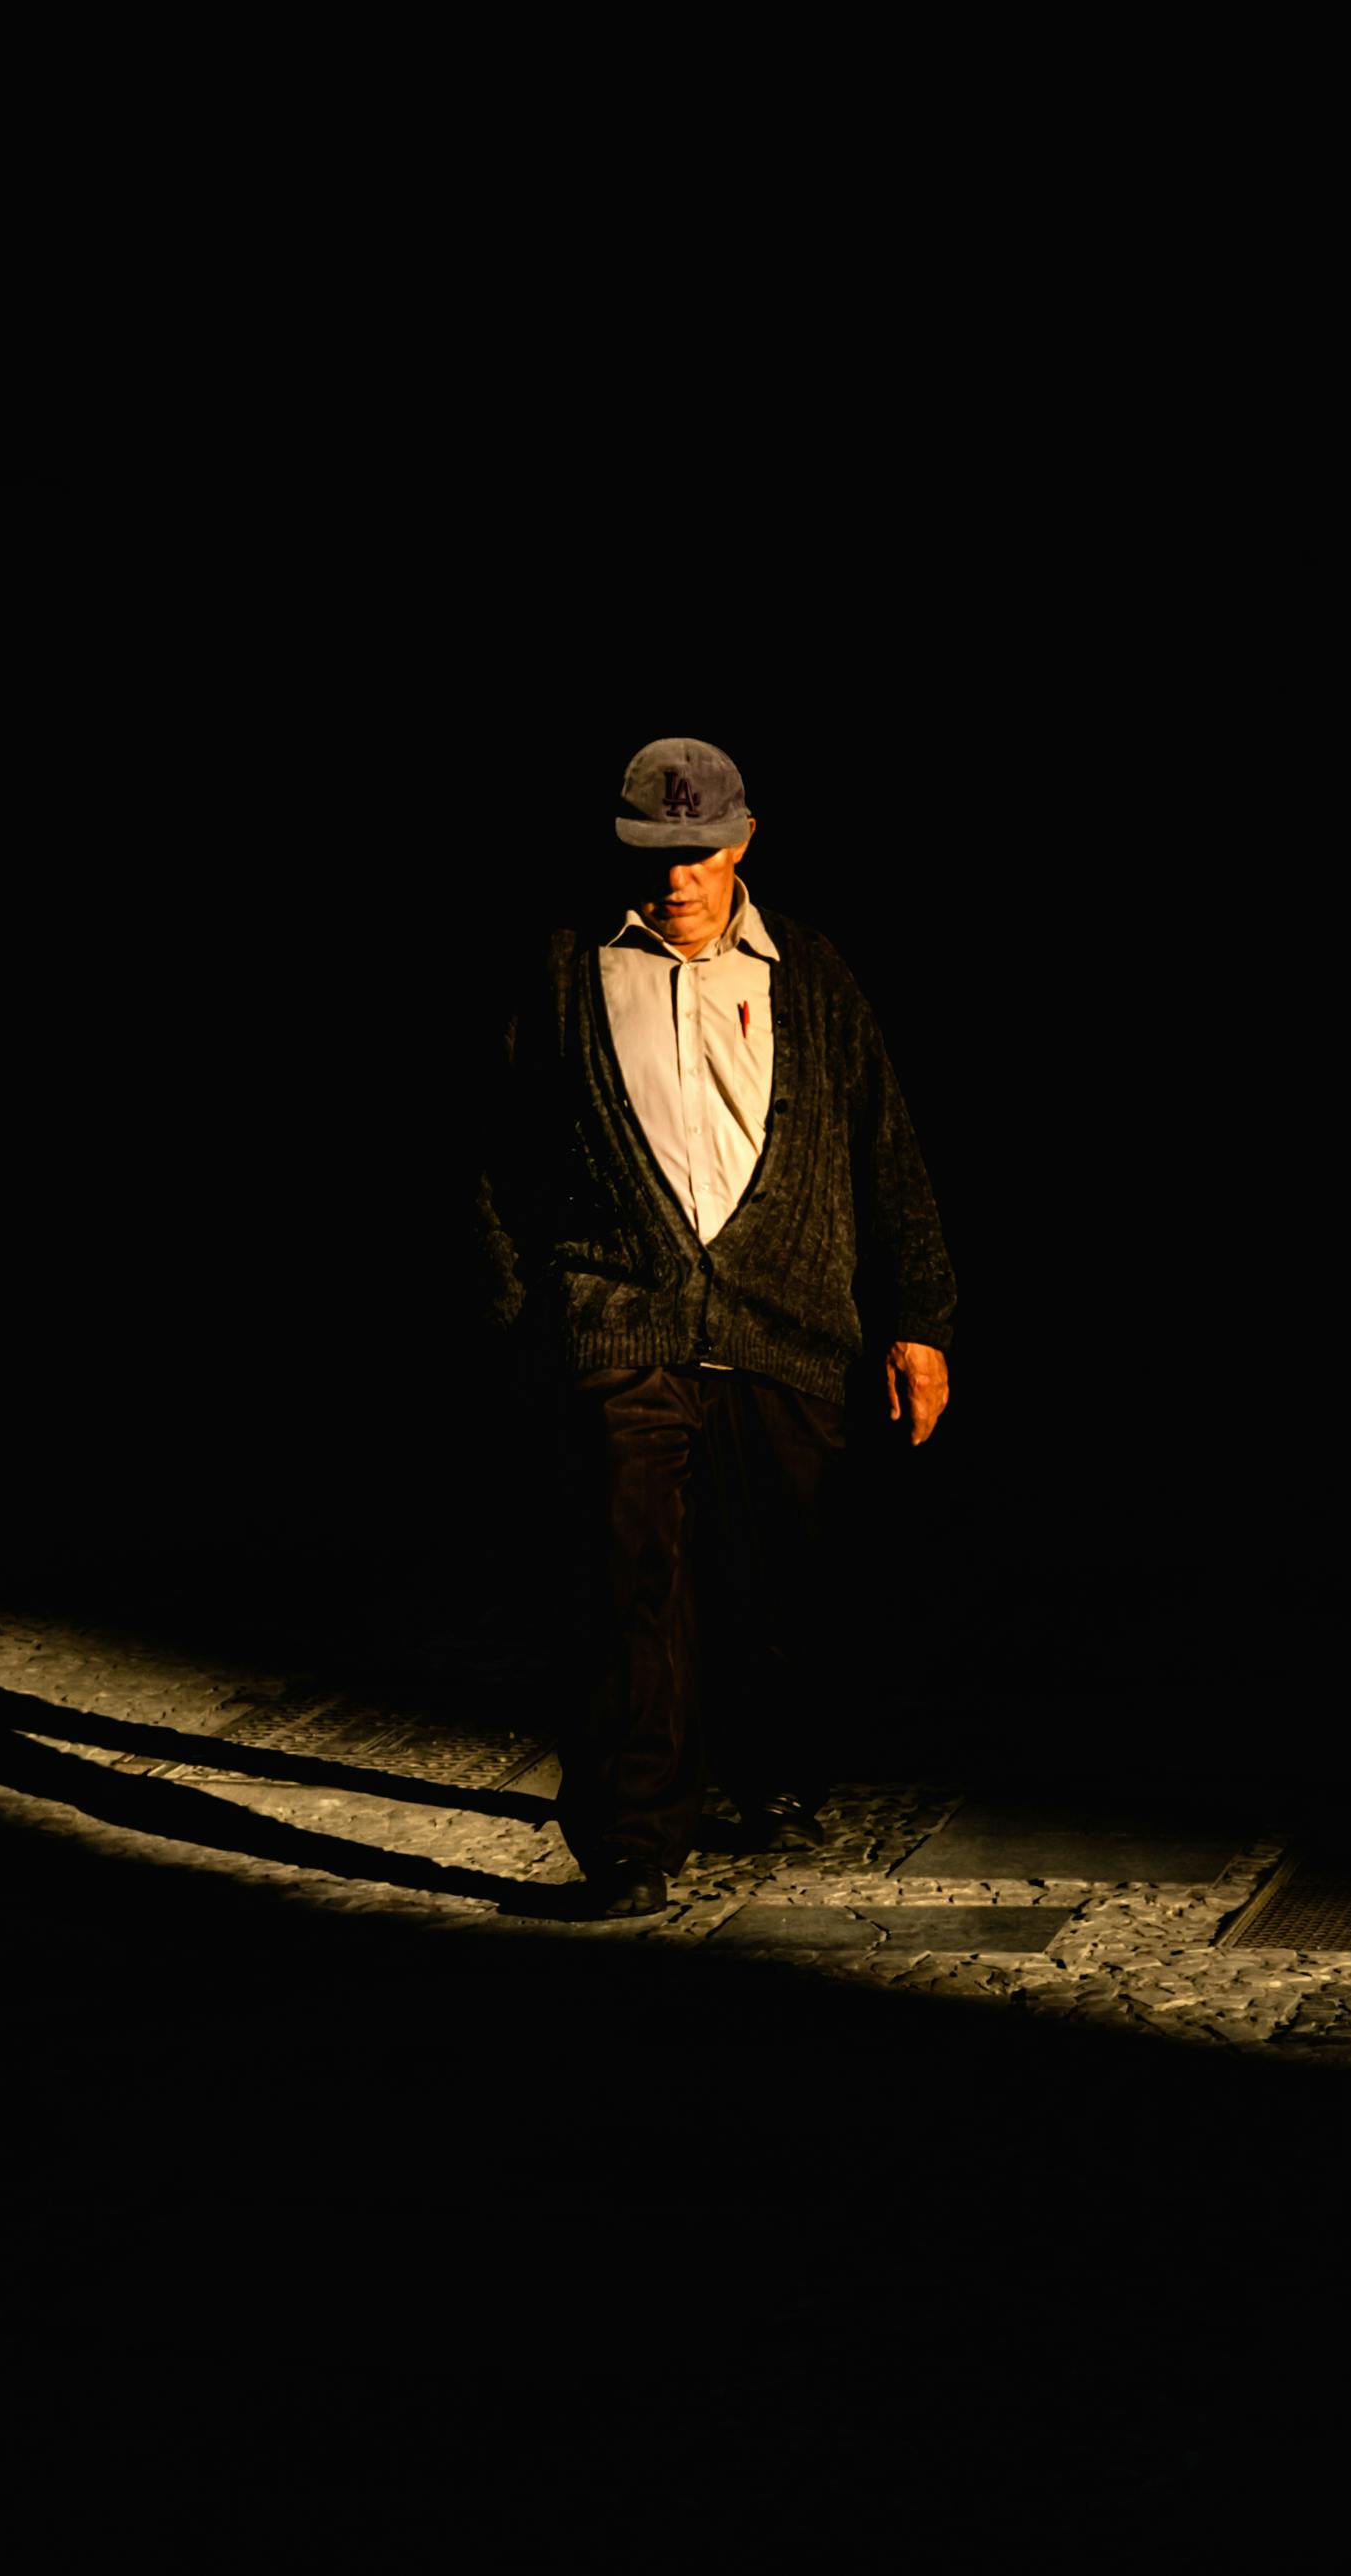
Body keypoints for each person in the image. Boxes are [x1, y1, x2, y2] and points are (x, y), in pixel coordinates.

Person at [476, 737, 956, 1917]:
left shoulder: (810, 971)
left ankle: (775, 1765)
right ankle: (633, 1838)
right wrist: (522, 1316)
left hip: (785, 1315)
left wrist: (917, 1317)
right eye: (653, 854)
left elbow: (879, 1144)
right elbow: (498, 1157)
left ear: (742, 839)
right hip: (618, 1312)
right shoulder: (565, 969)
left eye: (698, 851)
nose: (677, 876)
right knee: (628, 1572)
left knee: (775, 1569)